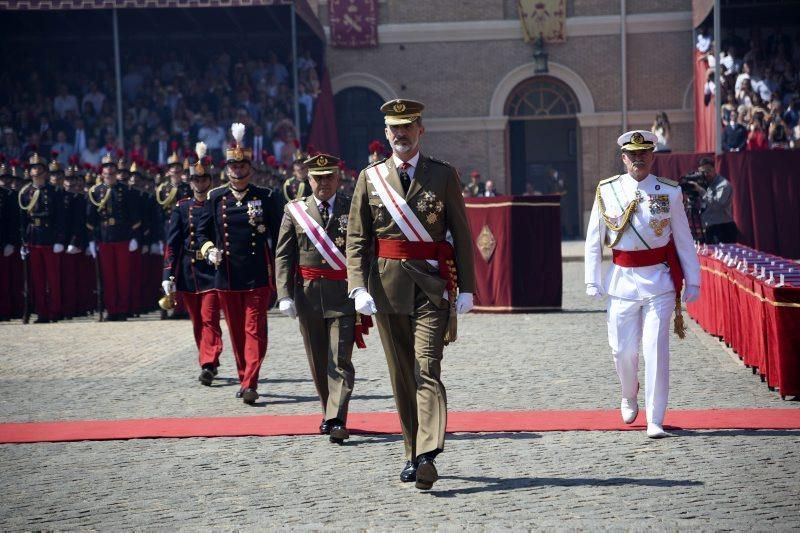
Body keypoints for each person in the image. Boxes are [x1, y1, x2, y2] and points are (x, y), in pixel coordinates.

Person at [346, 99, 475, 490]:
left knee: (426, 368)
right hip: (385, 291)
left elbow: (462, 235)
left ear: (421, 130)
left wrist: (466, 287)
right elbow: (357, 238)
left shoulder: (443, 175)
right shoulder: (370, 179)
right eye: (394, 128)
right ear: (386, 133)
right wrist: (356, 286)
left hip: (431, 288)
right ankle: (411, 451)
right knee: (402, 374)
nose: (401, 133)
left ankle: (428, 453)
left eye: (408, 126)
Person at [584, 130, 701, 439]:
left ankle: (655, 418)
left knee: (656, 349)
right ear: (624, 158)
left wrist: (694, 279)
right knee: (622, 350)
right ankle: (628, 392)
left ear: (652, 157)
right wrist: (592, 279)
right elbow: (594, 238)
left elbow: (684, 239)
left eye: (644, 154)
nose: (638, 159)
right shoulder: (607, 190)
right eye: (632, 155)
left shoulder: (669, 192)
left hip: (659, 280)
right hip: (622, 279)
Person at [275, 153, 360, 444]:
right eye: (317, 178)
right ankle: (328, 410)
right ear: (307, 179)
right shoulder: (294, 210)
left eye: (329, 177)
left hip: (343, 295)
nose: (323, 183)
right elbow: (284, 255)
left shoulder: (353, 206)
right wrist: (284, 294)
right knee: (317, 358)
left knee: (340, 360)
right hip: (308, 296)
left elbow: (364, 249)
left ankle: (337, 419)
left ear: (338, 177)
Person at [196, 123, 282, 405]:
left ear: (250, 167)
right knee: (235, 332)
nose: (237, 170)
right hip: (227, 275)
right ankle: (244, 374)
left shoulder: (266, 197)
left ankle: (250, 382)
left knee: (254, 329)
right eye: (233, 165)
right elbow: (202, 233)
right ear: (226, 168)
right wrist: (209, 250)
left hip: (256, 274)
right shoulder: (215, 197)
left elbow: (280, 235)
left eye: (242, 165)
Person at [163, 143, 223, 387]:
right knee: (197, 321)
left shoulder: (218, 203)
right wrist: (167, 274)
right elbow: (173, 243)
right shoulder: (182, 207)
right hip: (189, 272)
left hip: (211, 270)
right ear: (190, 182)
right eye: (196, 180)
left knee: (209, 317)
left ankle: (208, 363)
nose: (200, 183)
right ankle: (208, 357)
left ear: (210, 180)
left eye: (203, 179)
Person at [85, 153, 142, 321]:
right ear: (101, 172)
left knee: (123, 276)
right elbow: (90, 220)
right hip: (104, 238)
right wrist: (91, 240)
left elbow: (134, 215)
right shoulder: (95, 192)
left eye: (111, 167)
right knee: (108, 277)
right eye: (106, 167)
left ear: (116, 171)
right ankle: (112, 309)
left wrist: (134, 237)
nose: (108, 170)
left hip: (123, 237)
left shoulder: (125, 190)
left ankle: (123, 309)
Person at [18, 153, 66, 323]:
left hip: (50, 236)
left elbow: (61, 218)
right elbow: (23, 220)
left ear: (45, 172)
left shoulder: (54, 192)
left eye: (39, 168)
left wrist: (60, 240)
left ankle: (55, 311)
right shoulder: (25, 193)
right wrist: (23, 241)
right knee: (37, 279)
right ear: (30, 172)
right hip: (33, 237)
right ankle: (42, 313)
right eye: (33, 168)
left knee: (53, 278)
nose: (36, 171)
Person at [688, 157, 736, 244]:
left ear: (714, 169)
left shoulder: (723, 185)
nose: (706, 174)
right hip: (708, 229)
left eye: (708, 171)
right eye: (702, 172)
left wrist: (701, 191)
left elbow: (718, 205)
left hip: (722, 229)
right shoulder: (704, 184)